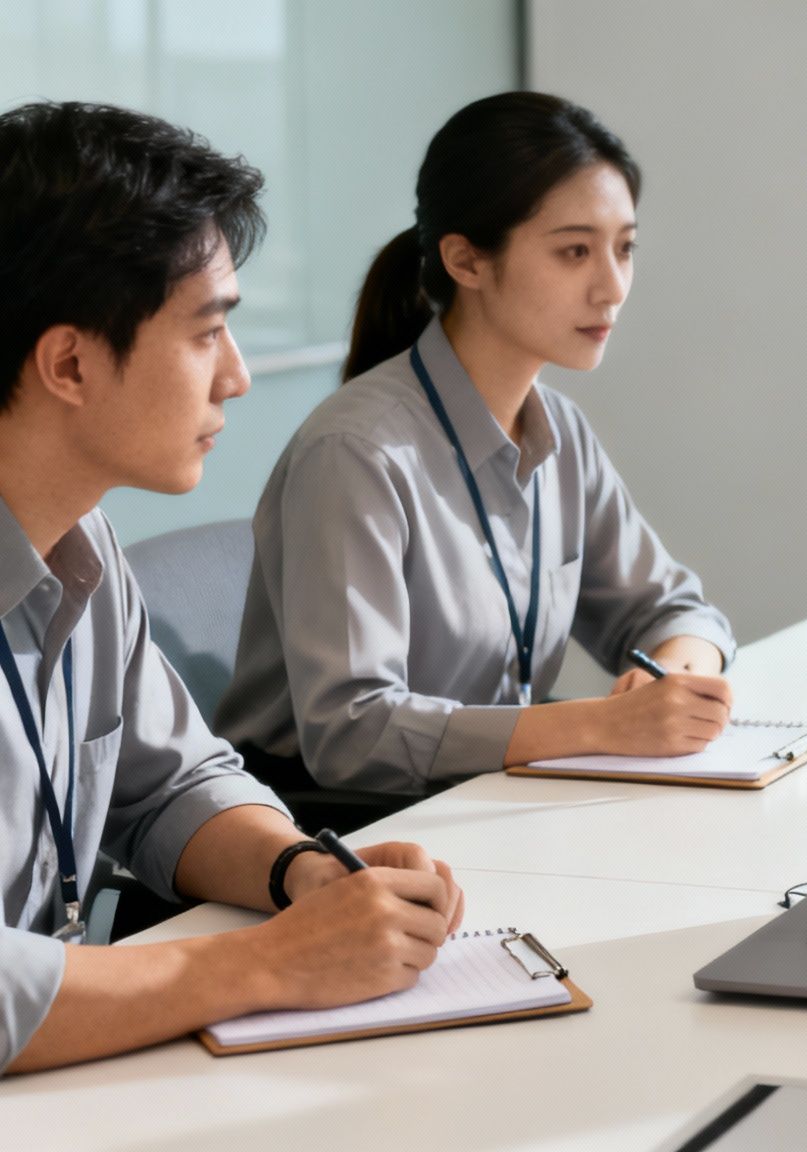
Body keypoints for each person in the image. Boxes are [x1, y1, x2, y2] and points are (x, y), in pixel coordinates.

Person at [0, 101, 465, 1074]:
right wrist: (258, 965)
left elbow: (169, 782)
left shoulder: (81, 542)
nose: (239, 378)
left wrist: (301, 873)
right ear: (70, 362)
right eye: (207, 332)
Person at [216, 92, 738, 799]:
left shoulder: (559, 432)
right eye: (575, 251)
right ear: (467, 261)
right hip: (345, 831)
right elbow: (353, 732)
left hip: (489, 801)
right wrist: (604, 725)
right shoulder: (356, 453)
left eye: (625, 248)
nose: (612, 287)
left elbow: (676, 610)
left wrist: (673, 675)